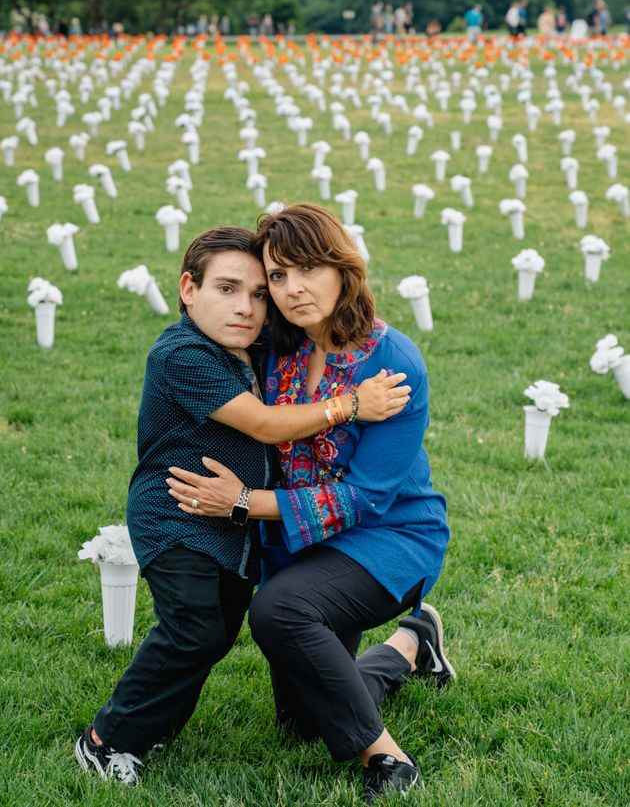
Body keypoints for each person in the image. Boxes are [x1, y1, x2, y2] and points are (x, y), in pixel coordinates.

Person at [75, 226, 408, 786]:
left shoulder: (249, 347)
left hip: (232, 521)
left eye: (258, 294)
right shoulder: (182, 353)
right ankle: (107, 740)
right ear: (188, 288)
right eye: (228, 289)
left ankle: (156, 725)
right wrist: (350, 403)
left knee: (219, 627)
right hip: (176, 515)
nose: (246, 308)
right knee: (195, 629)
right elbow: (263, 423)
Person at [167, 205, 452, 801]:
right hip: (306, 544)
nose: (292, 290)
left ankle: (389, 761)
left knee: (278, 610)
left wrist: (243, 503)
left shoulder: (393, 363)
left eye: (308, 269)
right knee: (305, 726)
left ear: (343, 268)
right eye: (278, 276)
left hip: (388, 537)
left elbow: (367, 496)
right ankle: (411, 643)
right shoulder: (276, 345)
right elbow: (217, 344)